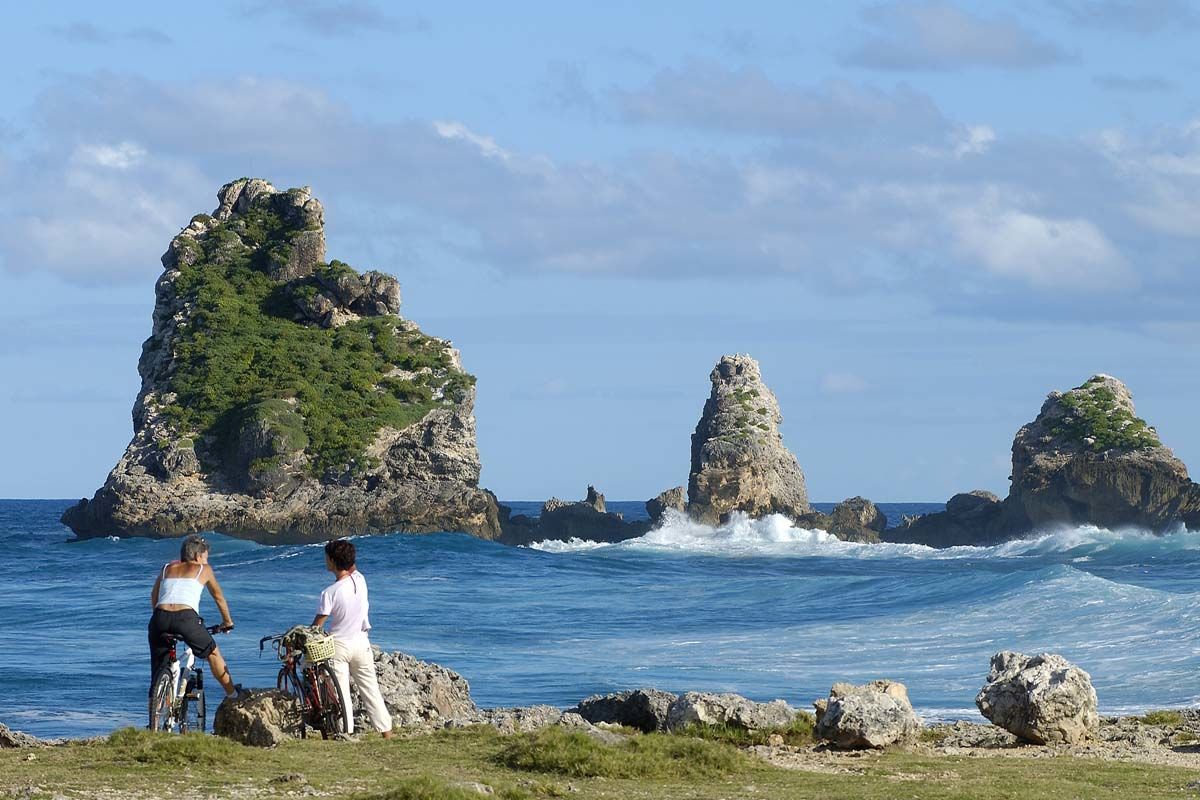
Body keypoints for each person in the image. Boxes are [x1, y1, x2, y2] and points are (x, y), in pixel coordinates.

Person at [312, 538, 393, 738]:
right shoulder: (360, 580)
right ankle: (386, 733)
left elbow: (317, 625)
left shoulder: (329, 592)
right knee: (371, 689)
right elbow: (352, 566)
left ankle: (346, 733)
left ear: (331, 561)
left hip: (339, 646)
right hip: (361, 642)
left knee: (342, 694)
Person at [148, 534, 243, 699]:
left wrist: (162, 619)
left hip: (159, 617)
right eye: (206, 556)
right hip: (185, 618)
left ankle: (156, 712)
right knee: (213, 653)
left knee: (158, 670)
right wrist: (227, 622)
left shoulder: (166, 568)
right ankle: (233, 695)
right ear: (198, 556)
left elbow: (154, 597)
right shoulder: (203, 569)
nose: (207, 560)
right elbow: (219, 597)